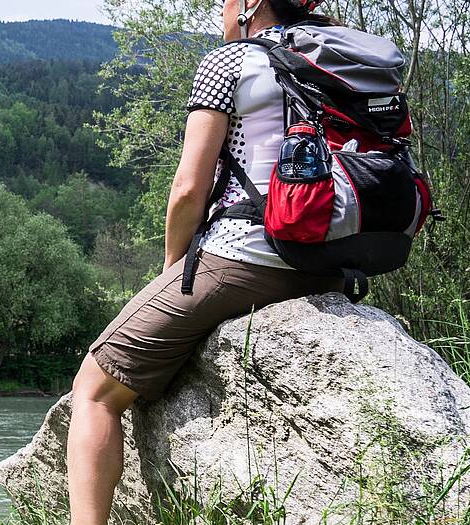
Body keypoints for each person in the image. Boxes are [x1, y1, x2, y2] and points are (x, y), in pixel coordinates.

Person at [63, 0, 360, 523]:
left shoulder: (232, 61)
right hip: (335, 262)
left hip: (247, 255)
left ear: (250, 6)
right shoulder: (345, 56)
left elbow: (187, 191)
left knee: (92, 389)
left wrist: (174, 266)